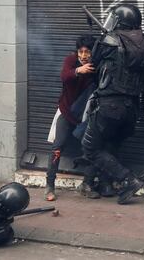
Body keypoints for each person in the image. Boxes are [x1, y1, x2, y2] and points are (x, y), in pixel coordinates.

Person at [80, 4, 144, 205]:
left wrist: (102, 40)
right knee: (111, 144)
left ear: (120, 22)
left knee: (90, 148)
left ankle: (128, 180)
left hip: (109, 105)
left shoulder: (109, 41)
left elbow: (93, 65)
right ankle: (105, 185)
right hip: (131, 108)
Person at [45, 35, 114, 201]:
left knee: (93, 148)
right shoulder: (71, 61)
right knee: (57, 146)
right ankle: (50, 185)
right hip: (66, 111)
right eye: (80, 52)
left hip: (86, 117)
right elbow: (64, 76)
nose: (83, 55)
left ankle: (87, 184)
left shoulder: (98, 66)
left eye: (87, 52)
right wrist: (78, 71)